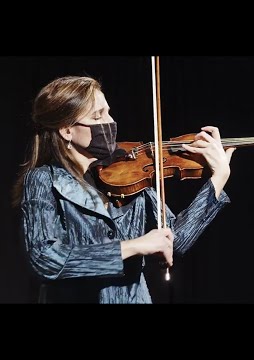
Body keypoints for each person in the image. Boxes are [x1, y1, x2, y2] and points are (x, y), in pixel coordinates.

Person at [12, 75, 235, 303]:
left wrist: (219, 177)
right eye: (97, 116)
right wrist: (134, 246)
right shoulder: (43, 180)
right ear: (67, 131)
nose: (109, 122)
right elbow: (45, 259)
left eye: (108, 112)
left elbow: (175, 241)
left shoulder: (128, 172)